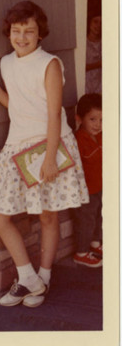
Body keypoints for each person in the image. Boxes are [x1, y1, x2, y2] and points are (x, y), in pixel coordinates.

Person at [0, 0, 89, 308]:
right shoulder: (5, 63)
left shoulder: (50, 63)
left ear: (40, 34)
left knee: (46, 214)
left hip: (47, 144)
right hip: (16, 144)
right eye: (16, 31)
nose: (22, 37)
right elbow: (13, 104)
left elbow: (54, 114)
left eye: (29, 31)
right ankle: (27, 277)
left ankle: (44, 277)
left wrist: (50, 158)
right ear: (9, 33)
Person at [73, 93, 102, 267]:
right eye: (93, 119)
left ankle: (95, 244)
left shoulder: (100, 136)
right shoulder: (79, 140)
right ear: (79, 119)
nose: (98, 124)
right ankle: (81, 252)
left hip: (99, 186)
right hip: (85, 191)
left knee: (100, 215)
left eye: (101, 120)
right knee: (86, 220)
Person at [85, 14, 102, 94]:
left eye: (101, 23)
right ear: (89, 23)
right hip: (86, 85)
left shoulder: (105, 42)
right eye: (95, 22)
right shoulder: (84, 43)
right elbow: (82, 67)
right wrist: (99, 64)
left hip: (101, 86)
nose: (98, 25)